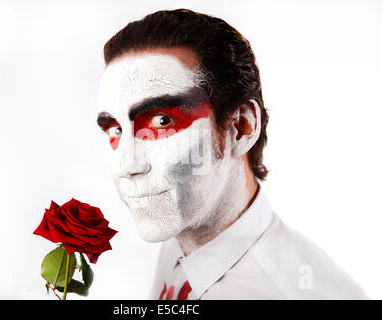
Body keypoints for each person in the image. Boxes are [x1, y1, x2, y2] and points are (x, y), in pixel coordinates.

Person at [96, 9, 367, 299]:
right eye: (115, 129)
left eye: (163, 120)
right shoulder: (180, 235)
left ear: (242, 126)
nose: (125, 166)